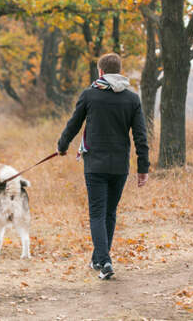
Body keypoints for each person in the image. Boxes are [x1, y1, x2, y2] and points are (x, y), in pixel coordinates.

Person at [56, 52, 150, 280]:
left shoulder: (90, 95)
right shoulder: (132, 99)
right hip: (120, 166)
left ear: (100, 72)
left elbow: (74, 124)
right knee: (109, 212)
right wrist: (143, 168)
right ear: (119, 72)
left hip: (95, 165)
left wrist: (62, 145)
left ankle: (104, 261)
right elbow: (140, 136)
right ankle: (99, 258)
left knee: (98, 213)